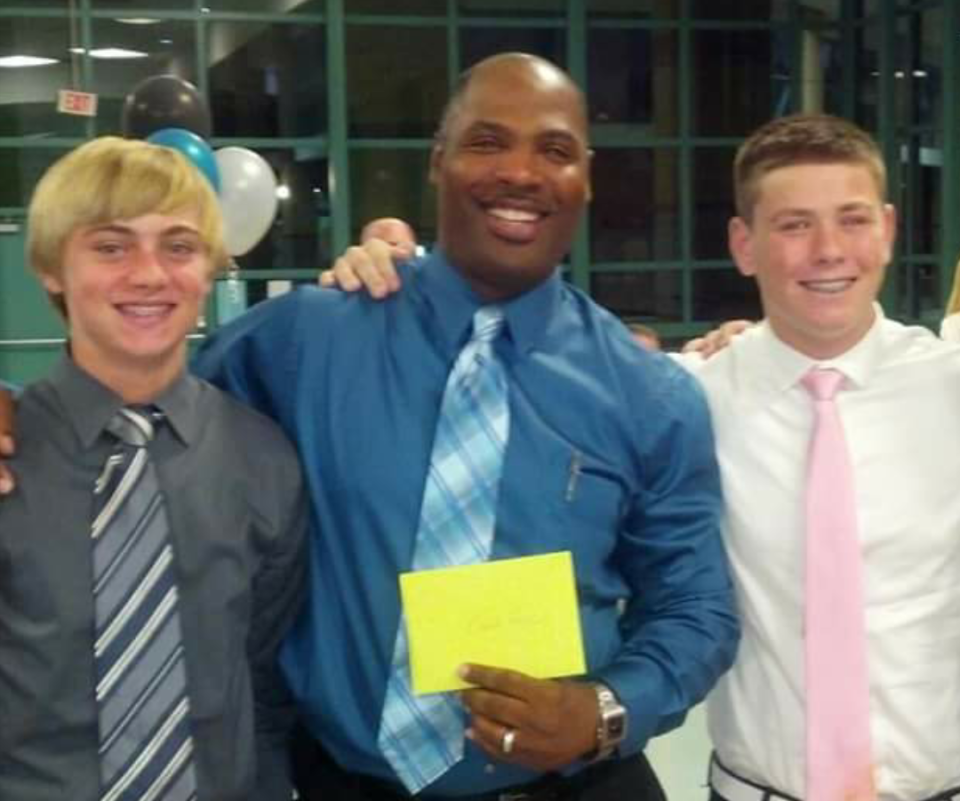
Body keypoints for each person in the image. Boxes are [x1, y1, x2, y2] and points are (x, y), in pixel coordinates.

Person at [332, 112, 960, 800]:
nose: (830, 250)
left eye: (853, 219)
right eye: (794, 225)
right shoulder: (684, 399)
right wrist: (392, 283)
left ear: (891, 231)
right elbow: (495, 359)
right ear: (744, 245)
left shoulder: (949, 387)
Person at [189, 52, 737, 800]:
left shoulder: (649, 393)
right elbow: (143, 416)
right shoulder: (304, 342)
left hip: (578, 783)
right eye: (487, 142)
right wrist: (22, 410)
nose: (520, 172)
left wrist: (603, 711)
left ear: (586, 178)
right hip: (347, 781)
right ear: (437, 162)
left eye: (554, 150)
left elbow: (694, 606)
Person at [0, 136, 308, 800]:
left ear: (210, 268)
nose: (148, 274)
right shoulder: (7, 457)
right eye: (111, 246)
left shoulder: (264, 461)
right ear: (53, 267)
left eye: (179, 246)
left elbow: (262, 678)